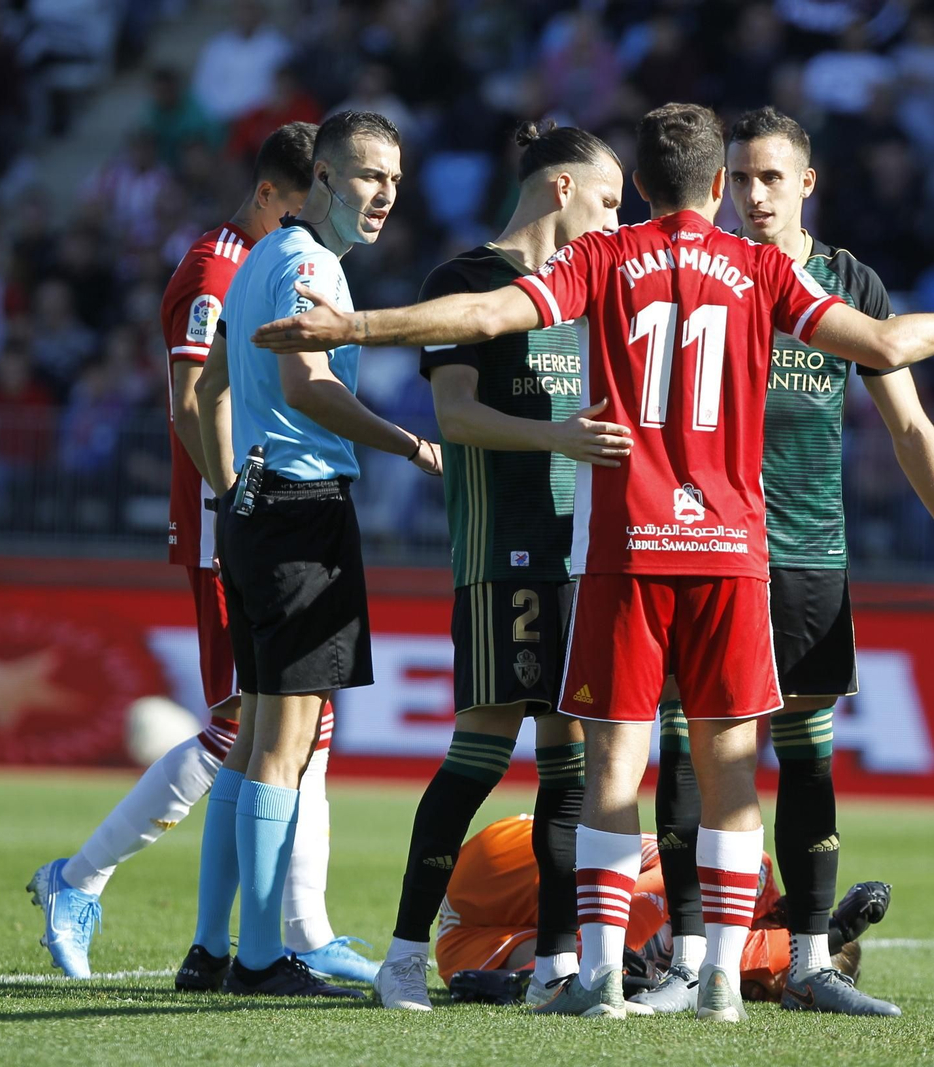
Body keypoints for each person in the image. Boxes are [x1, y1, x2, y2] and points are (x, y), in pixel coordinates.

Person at [251, 101, 934, 1021]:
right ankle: (716, 979)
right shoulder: (761, 268)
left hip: (627, 553)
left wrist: (352, 330)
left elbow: (480, 314)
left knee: (611, 765)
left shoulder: (604, 257)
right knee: (729, 768)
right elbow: (888, 344)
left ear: (638, 186)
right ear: (719, 184)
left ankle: (595, 976)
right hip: (730, 553)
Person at [632, 107, 934, 1019]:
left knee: (806, 756)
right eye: (742, 177)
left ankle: (807, 959)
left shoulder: (848, 282)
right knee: (689, 748)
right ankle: (686, 958)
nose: (754, 195)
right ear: (718, 183)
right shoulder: (700, 275)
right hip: (705, 548)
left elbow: (910, 425)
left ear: (806, 184)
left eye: (772, 178)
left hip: (807, 554)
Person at [28, 124, 376, 987]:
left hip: (257, 510)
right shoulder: (218, 270)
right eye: (302, 208)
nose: (310, 231)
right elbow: (192, 399)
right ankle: (79, 877)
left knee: (304, 724)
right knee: (242, 726)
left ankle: (302, 925)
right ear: (273, 194)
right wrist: (235, 499)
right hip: (237, 515)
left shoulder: (258, 262)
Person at [375, 120, 630, 1012]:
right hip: (502, 553)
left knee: (572, 767)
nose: (614, 222)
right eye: (606, 201)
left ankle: (557, 964)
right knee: (478, 758)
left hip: (582, 554)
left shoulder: (593, 288)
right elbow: (455, 415)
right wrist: (557, 435)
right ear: (561, 189)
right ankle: (403, 954)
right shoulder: (467, 282)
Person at [192, 110, 442, 999]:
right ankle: (262, 960)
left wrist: (228, 482)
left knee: (257, 734)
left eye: (396, 181)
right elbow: (309, 382)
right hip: (301, 510)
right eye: (370, 176)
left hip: (260, 510)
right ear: (326, 179)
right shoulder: (310, 265)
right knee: (285, 743)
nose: (385, 195)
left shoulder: (259, 257)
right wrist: (411, 445)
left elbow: (210, 386)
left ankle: (209, 948)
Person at [434, 815, 892, 1003]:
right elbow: (633, 906)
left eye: (758, 992)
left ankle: (526, 980)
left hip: (462, 939)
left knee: (618, 961)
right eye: (765, 983)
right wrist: (832, 934)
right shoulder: (754, 874)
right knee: (629, 950)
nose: (751, 984)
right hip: (503, 859)